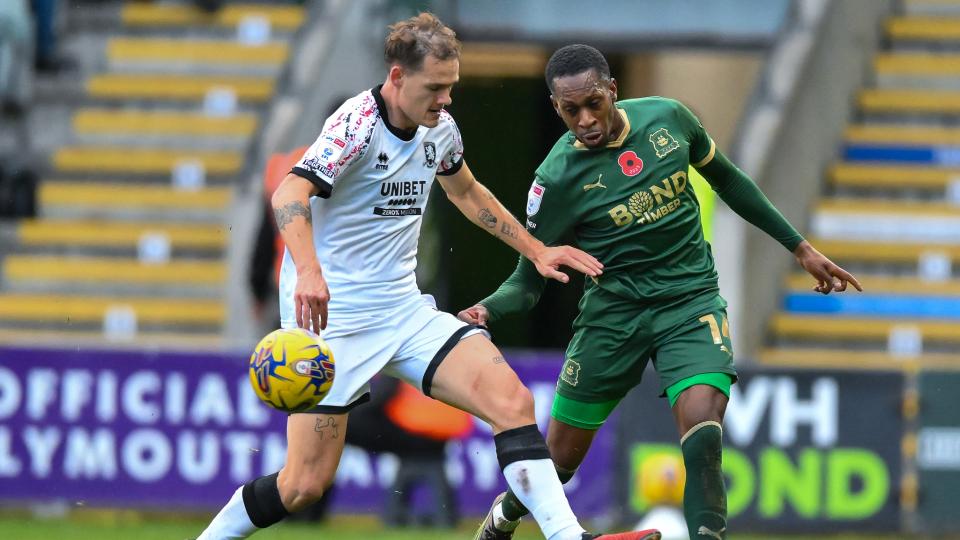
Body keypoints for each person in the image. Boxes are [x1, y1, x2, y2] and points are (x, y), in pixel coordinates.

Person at [196, 16, 660, 540]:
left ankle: (567, 537)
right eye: (435, 88)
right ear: (397, 78)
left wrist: (536, 250)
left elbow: (466, 192)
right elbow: (288, 193)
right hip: (332, 324)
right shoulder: (356, 125)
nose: (446, 100)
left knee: (512, 402)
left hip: (402, 309)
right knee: (303, 484)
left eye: (452, 87)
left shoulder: (439, 128)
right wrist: (308, 271)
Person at [459, 44, 863, 540]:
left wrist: (798, 247)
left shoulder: (669, 120)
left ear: (613, 91)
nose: (584, 120)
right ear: (555, 107)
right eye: (570, 110)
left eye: (593, 104)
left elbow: (729, 181)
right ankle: (505, 516)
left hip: (688, 302)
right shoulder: (555, 180)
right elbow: (529, 278)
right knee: (558, 463)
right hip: (613, 316)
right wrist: (486, 309)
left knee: (702, 431)